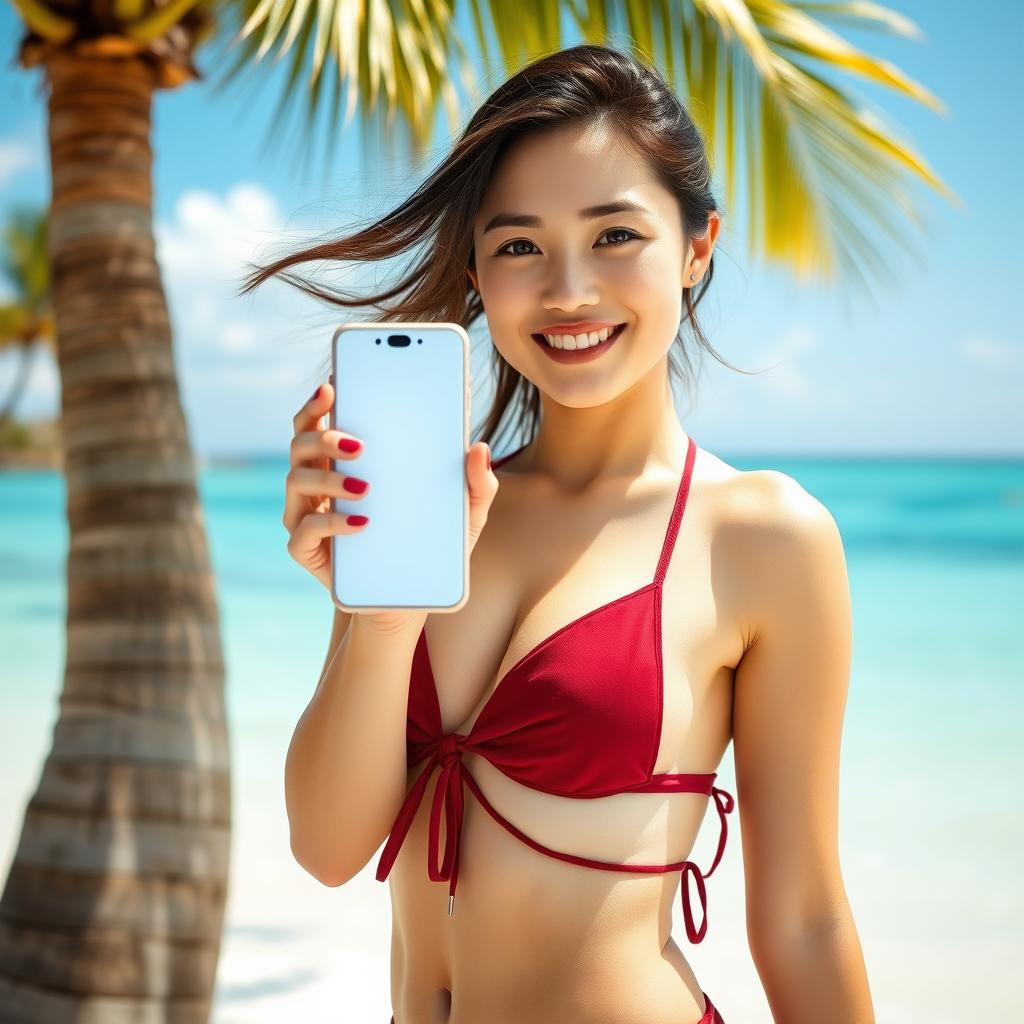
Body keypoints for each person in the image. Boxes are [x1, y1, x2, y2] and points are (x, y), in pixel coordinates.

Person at [252, 42, 874, 1024]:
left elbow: (801, 915)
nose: (568, 290)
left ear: (697, 246)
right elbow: (328, 848)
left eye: (615, 235)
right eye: (517, 246)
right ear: (477, 273)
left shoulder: (761, 537)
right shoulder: (429, 513)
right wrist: (373, 618)